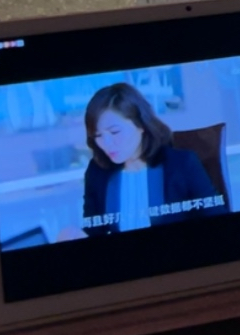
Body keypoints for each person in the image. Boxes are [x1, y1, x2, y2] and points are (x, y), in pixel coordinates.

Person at [81, 83, 225, 235]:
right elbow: (93, 230)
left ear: (141, 125)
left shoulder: (182, 164)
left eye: (115, 132)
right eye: (98, 135)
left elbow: (217, 219)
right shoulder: (97, 171)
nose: (106, 143)